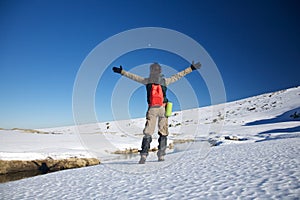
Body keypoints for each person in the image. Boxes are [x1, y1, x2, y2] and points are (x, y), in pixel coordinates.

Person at [112, 61, 201, 164]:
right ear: (160, 71)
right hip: (163, 108)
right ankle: (161, 155)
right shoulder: (165, 81)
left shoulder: (147, 81)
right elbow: (178, 76)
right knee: (163, 132)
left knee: (148, 132)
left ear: (151, 71)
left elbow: (133, 77)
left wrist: (122, 72)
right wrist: (191, 68)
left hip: (152, 109)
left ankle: (144, 155)